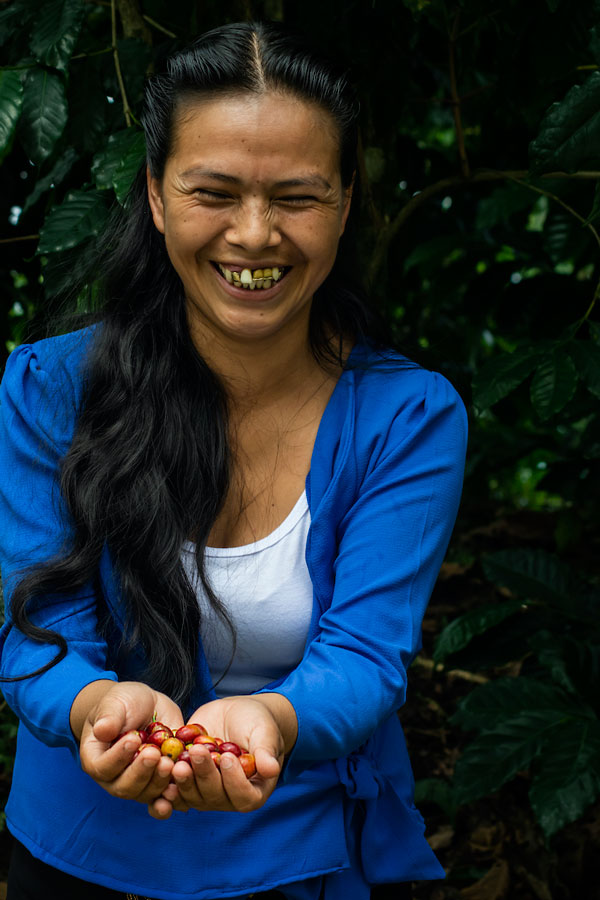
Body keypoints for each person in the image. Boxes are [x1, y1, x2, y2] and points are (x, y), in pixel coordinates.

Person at [0, 21, 467, 900]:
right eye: (213, 191)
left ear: (347, 201)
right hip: (77, 854)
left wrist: (273, 718)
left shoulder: (409, 416)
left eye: (297, 197)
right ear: (154, 194)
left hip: (304, 855)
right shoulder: (47, 390)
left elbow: (365, 653)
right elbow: (36, 628)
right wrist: (93, 706)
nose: (254, 236)